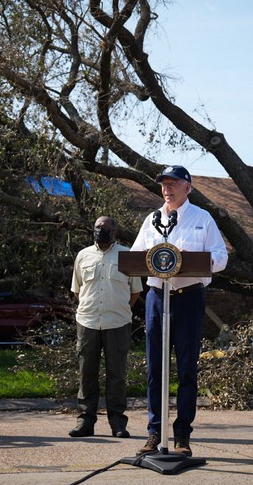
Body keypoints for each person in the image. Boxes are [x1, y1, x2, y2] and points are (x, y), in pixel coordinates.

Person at [130, 165, 228, 457]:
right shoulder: (152, 220)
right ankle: (154, 432)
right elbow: (135, 256)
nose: (167, 188)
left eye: (174, 183)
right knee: (155, 369)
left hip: (188, 299)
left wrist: (194, 260)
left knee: (186, 369)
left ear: (189, 187)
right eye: (164, 184)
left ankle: (182, 436)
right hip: (157, 297)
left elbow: (221, 258)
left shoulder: (203, 218)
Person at [69, 216, 143, 439]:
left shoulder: (127, 255)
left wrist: (119, 309)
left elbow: (135, 291)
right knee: (86, 373)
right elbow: (77, 289)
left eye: (106, 228)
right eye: (98, 227)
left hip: (117, 323)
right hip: (88, 321)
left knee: (116, 375)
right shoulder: (83, 255)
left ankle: (118, 423)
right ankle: (85, 422)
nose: (101, 230)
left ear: (115, 232)